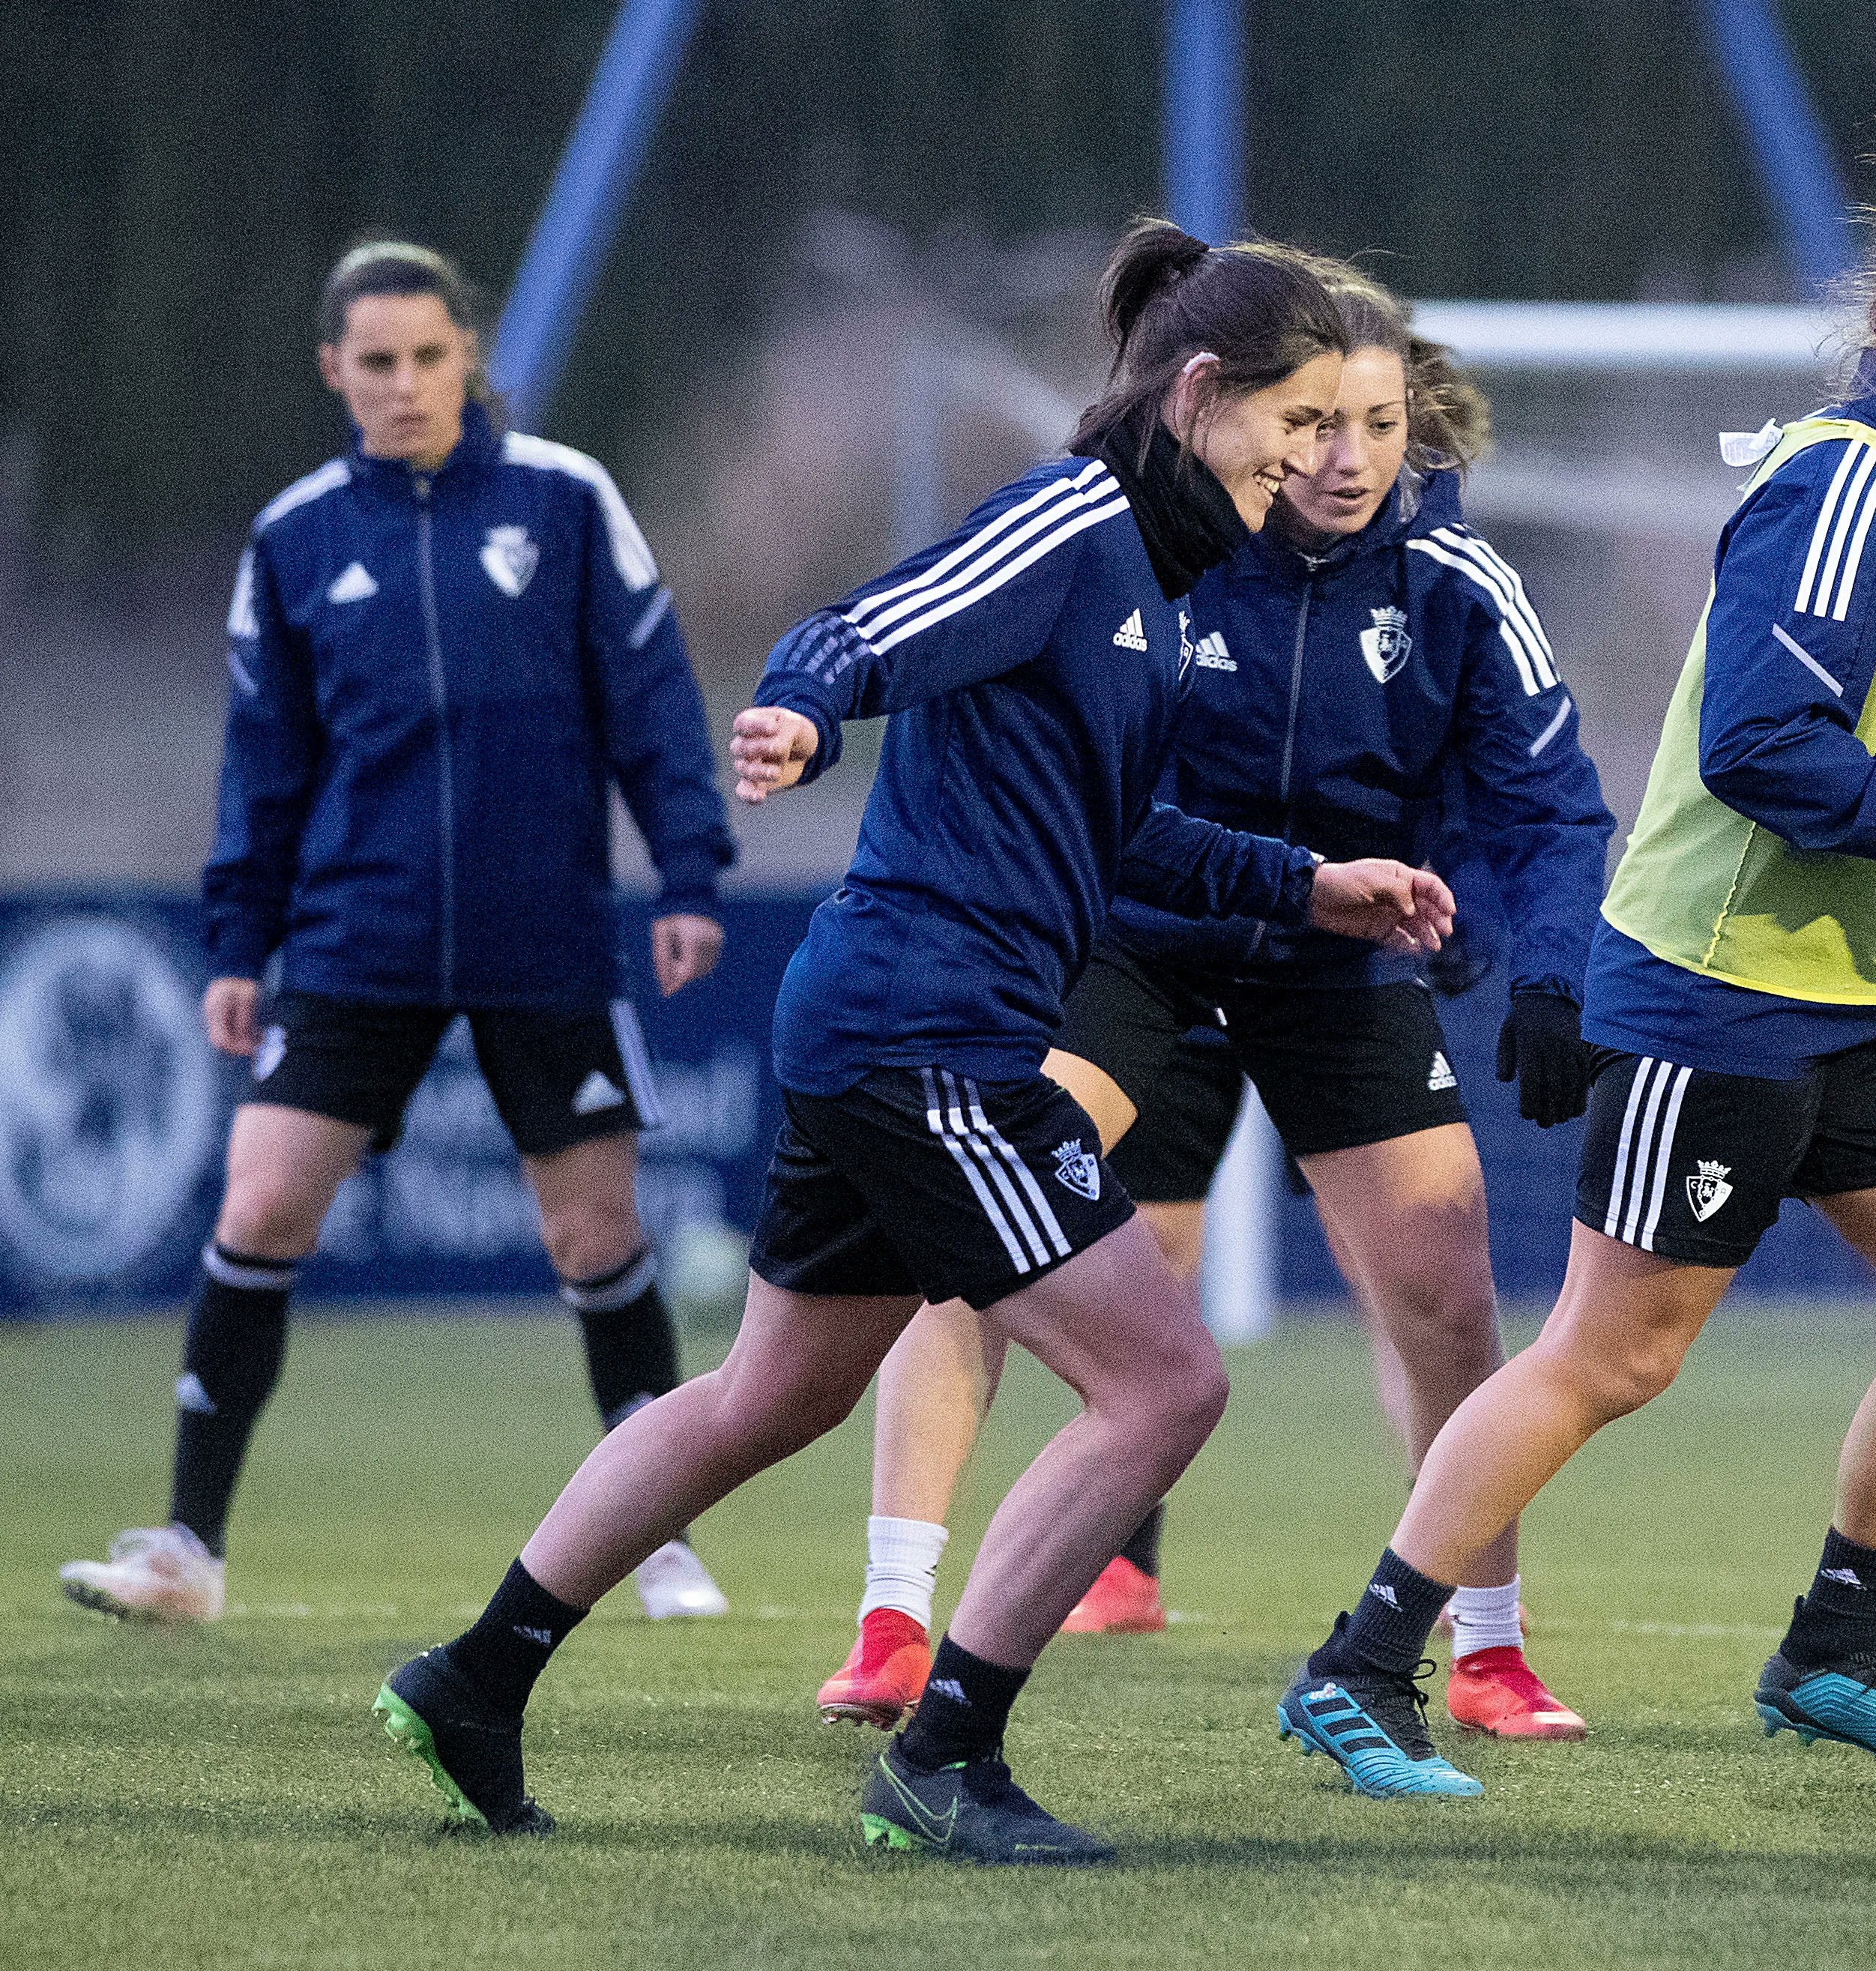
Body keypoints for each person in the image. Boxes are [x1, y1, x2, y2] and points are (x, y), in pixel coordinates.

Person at [372, 222, 1456, 1866]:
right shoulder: (1067, 521)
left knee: (761, 1399)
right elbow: (870, 621)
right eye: (1296, 422)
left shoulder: (1159, 589)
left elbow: (1124, 835)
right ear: (1202, 394)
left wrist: (1309, 887)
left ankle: (474, 1677)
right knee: (1164, 1385)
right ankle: (943, 1759)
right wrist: (803, 706)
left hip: (898, 1027)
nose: (1319, 458)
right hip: (923, 1038)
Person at [1271, 102, 1876, 1801]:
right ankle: (1357, 1667)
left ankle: (1826, 1654)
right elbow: (1759, 751)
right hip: (1718, 996)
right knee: (1611, 1357)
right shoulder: (1843, 489)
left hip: (1851, 997)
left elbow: (1870, 745)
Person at [812, 265, 1613, 1744]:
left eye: (1379, 425)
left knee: (1442, 1284)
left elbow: (1552, 810)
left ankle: (1488, 1646)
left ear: (1413, 427)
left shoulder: (1454, 580)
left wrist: (1548, 966)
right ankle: (891, 1621)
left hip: (1333, 960)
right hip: (1141, 940)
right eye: (1318, 425)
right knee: (972, 1248)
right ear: (1267, 418)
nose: (1343, 457)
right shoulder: (1158, 542)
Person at [58, 240, 736, 1629]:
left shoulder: (564, 500)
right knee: (258, 1205)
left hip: (542, 932)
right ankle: (188, 1549)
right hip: (354, 935)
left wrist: (689, 873)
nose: (408, 383)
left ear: (466, 356)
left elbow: (652, 702)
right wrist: (239, 942)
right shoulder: (297, 536)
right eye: (378, 362)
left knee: (594, 1231)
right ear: (335, 372)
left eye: (431, 356)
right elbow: (263, 764)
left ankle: (658, 1539)